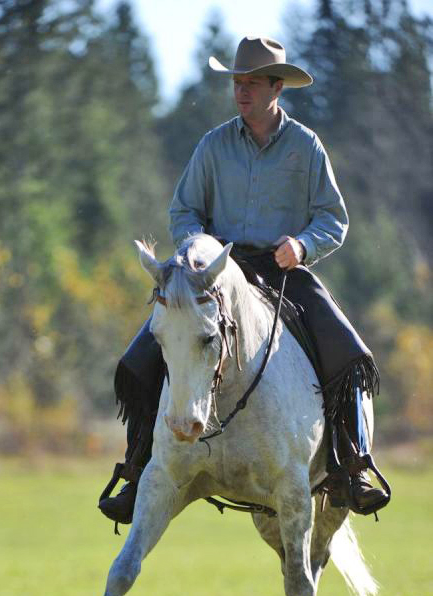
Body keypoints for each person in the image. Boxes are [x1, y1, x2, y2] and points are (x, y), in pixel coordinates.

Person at [99, 36, 390, 526]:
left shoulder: (306, 146)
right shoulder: (212, 145)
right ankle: (138, 468)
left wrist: (302, 246)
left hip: (283, 272)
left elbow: (333, 219)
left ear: (277, 88)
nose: (242, 91)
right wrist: (197, 251)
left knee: (350, 354)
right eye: (237, 82)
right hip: (213, 277)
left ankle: (352, 466)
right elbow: (184, 211)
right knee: (141, 357)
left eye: (253, 83)